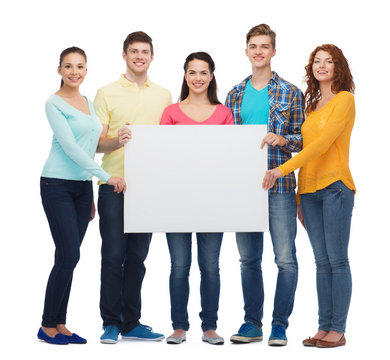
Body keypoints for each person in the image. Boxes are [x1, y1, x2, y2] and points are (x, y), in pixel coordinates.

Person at [263, 44, 355, 348]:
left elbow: (320, 147)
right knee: (321, 261)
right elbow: (306, 149)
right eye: (317, 61)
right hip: (311, 191)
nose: (322, 65)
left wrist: (280, 170)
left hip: (335, 188)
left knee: (337, 260)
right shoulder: (312, 105)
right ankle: (323, 327)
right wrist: (301, 197)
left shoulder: (344, 101)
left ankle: (337, 330)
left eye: (329, 61)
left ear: (338, 67)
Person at [38, 47, 126, 345]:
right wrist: (105, 177)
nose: (74, 71)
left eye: (80, 66)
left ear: (86, 70)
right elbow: (71, 149)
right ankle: (47, 324)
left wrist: (88, 188)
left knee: (68, 257)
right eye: (68, 66)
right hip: (56, 185)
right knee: (69, 254)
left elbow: (91, 147)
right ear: (59, 70)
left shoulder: (88, 102)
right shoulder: (54, 103)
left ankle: (59, 323)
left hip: (80, 188)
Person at [225, 24, 304, 346]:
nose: (259, 51)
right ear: (246, 52)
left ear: (273, 51)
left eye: (265, 46)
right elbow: (225, 145)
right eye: (253, 46)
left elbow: (303, 142)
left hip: (281, 186)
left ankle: (280, 325)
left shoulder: (290, 92)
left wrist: (283, 138)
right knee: (248, 260)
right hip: (245, 189)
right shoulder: (233, 95)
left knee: (285, 259)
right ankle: (251, 324)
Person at [94, 31, 172, 344]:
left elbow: (168, 144)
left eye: (145, 52)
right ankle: (110, 323)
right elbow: (97, 144)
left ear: (152, 57)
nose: (139, 56)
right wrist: (117, 140)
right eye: (133, 51)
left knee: (137, 259)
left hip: (148, 190)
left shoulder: (164, 95)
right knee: (113, 256)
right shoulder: (106, 92)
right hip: (113, 185)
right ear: (124, 56)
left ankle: (132, 322)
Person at [160, 52, 234, 345]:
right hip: (176, 200)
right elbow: (161, 157)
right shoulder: (171, 112)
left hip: (212, 201)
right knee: (179, 266)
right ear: (185, 75)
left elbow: (230, 158)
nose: (198, 78)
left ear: (212, 75)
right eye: (192, 72)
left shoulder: (224, 113)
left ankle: (210, 326)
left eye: (203, 72)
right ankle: (179, 326)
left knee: (210, 267)